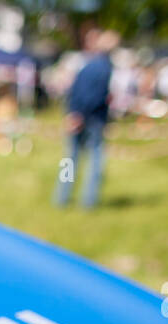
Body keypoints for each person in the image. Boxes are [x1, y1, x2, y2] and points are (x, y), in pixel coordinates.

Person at [54, 29, 118, 209]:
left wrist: (72, 113)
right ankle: (88, 201)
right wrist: (79, 115)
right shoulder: (104, 67)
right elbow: (94, 95)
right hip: (91, 119)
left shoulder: (87, 65)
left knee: (70, 160)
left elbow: (75, 90)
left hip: (78, 115)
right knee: (94, 161)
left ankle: (62, 198)